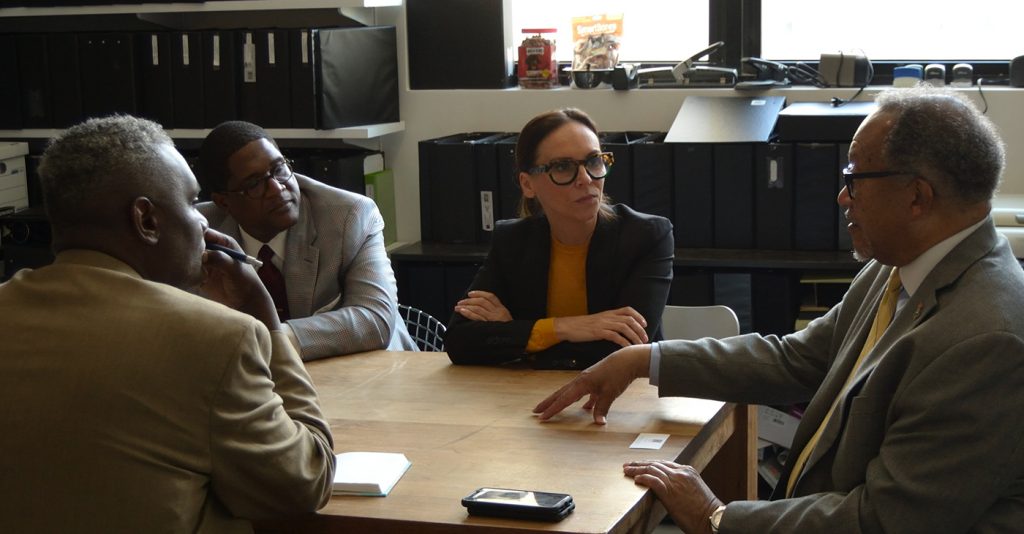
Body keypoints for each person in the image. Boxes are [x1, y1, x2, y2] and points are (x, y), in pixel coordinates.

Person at [534, 86, 1024, 533]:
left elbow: (886, 520)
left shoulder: (986, 339)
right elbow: (795, 359)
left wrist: (718, 517)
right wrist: (642, 359)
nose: (840, 197)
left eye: (854, 179)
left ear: (918, 196)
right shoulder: (901, 266)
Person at [0, 115, 336, 532]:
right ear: (147, 221)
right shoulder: (215, 339)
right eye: (192, 203)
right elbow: (306, 481)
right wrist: (266, 319)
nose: (203, 223)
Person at [444, 108, 674, 370]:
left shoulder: (645, 237)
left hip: (626, 398)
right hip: (526, 398)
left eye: (594, 161)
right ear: (528, 184)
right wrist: (566, 327)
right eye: (563, 167)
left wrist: (516, 334)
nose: (586, 178)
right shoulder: (512, 240)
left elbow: (623, 350)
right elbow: (459, 341)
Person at [197, 121, 416, 361]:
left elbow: (374, 319)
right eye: (254, 184)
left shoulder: (349, 216)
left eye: (279, 168)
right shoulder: (200, 231)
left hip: (375, 376)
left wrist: (278, 339)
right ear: (223, 202)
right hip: (257, 380)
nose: (277, 188)